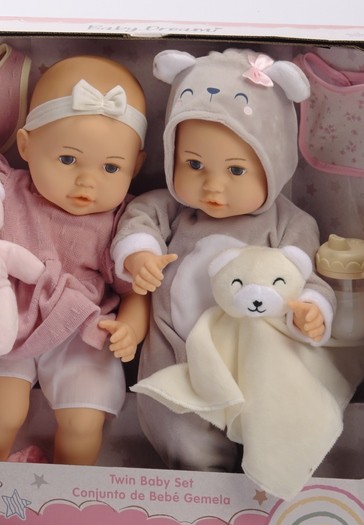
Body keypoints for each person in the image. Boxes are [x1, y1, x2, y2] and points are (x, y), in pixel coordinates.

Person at [112, 48, 338, 471]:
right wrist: (140, 254)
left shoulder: (290, 224)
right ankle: (201, 483)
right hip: (177, 359)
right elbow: (138, 218)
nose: (213, 187)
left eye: (236, 171)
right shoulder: (173, 210)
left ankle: (266, 477)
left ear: (274, 163)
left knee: (272, 426)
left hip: (252, 362)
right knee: (183, 435)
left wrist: (312, 312)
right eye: (194, 164)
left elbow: (308, 280)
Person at [0, 55, 149, 465]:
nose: (87, 181)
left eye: (111, 167)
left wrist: (130, 329)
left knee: (84, 421)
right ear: (26, 146)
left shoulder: (122, 222)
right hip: (8, 315)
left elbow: (134, 290)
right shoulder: (4, 191)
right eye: (67, 160)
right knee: (3, 410)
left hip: (82, 325)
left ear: (135, 166)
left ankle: (69, 489)